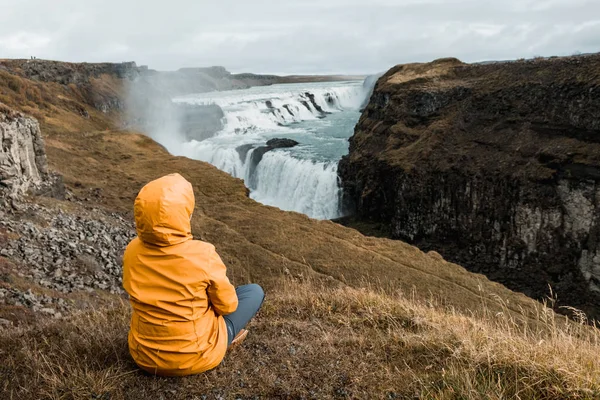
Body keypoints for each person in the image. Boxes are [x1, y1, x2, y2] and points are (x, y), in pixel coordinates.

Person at [122, 173, 264, 376]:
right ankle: (225, 340)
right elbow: (228, 306)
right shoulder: (202, 254)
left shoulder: (132, 251)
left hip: (143, 356)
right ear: (182, 215)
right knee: (253, 291)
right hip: (197, 357)